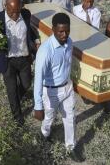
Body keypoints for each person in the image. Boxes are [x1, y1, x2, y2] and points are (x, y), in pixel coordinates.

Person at [33, 13, 81, 161]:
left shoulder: (70, 42)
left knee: (70, 118)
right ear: (53, 29)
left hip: (67, 88)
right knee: (49, 117)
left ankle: (70, 147)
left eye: (67, 31)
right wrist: (38, 106)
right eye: (60, 31)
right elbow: (38, 78)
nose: (64, 34)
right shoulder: (45, 50)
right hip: (51, 91)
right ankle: (44, 133)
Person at [0, 0, 40, 126]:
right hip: (7, 61)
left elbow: (29, 29)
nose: (14, 15)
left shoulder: (25, 14)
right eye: (11, 11)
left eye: (17, 11)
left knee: (26, 84)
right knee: (11, 90)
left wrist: (36, 40)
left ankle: (16, 99)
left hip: (24, 58)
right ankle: (17, 117)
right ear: (5, 7)